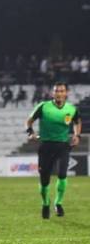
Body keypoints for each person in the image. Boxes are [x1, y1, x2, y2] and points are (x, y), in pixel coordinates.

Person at [25, 82, 82, 219]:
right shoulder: (43, 107)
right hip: (46, 146)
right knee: (44, 180)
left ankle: (58, 203)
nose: (59, 93)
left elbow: (77, 122)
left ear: (66, 93)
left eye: (62, 91)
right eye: (57, 91)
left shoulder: (71, 109)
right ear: (53, 93)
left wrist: (76, 135)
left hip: (63, 146)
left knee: (62, 174)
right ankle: (45, 203)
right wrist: (30, 132)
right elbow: (29, 121)